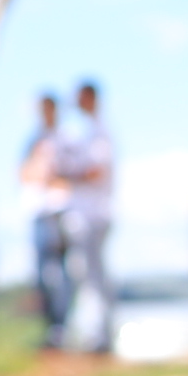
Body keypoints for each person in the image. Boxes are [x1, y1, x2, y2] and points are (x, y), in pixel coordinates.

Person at [57, 79, 117, 354]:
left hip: (94, 215)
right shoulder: (84, 133)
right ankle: (95, 333)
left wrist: (66, 176)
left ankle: (99, 336)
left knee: (92, 277)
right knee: (88, 276)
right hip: (85, 215)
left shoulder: (98, 133)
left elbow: (96, 172)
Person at [22, 92, 74, 348]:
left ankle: (60, 328)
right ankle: (50, 328)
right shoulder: (33, 140)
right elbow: (22, 173)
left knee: (60, 274)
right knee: (43, 275)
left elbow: (73, 174)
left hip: (58, 212)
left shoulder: (64, 140)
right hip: (38, 212)